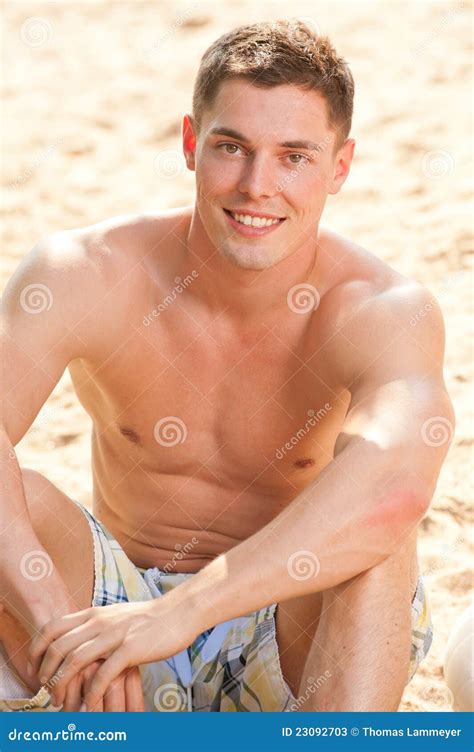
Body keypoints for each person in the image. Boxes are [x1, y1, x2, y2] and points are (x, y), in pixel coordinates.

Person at [1, 19, 454, 713]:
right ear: (191, 144)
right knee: (19, 495)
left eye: (294, 156)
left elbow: (395, 489)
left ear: (340, 165)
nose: (255, 186)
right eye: (231, 147)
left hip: (285, 621)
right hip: (116, 607)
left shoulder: (381, 307)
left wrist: (179, 617)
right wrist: (55, 625)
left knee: (377, 537)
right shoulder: (82, 273)